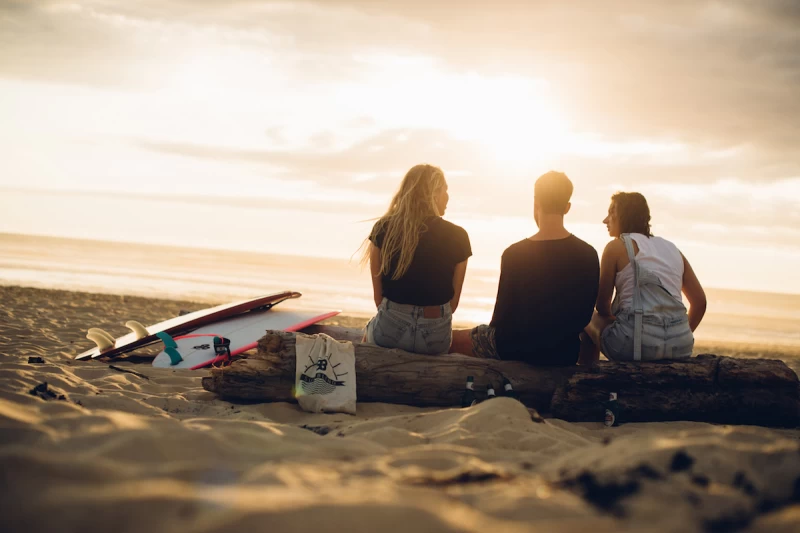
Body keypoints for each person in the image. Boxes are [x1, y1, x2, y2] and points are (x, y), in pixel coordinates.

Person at [450, 171, 599, 365]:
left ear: (536, 203)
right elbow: (584, 316)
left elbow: (500, 318)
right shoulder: (588, 253)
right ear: (567, 207)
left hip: (513, 348)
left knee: (448, 339)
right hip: (563, 352)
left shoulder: (514, 253)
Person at [580, 192, 707, 362]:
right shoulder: (673, 250)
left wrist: (628, 324)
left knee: (586, 315)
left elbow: (602, 306)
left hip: (636, 345)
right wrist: (674, 335)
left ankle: (588, 380)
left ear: (624, 215)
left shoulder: (615, 247)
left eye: (611, 212)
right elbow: (699, 302)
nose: (605, 220)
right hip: (680, 346)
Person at [362, 164, 471, 355]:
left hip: (390, 329)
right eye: (445, 190)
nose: (448, 197)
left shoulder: (384, 228)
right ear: (433, 193)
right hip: (435, 335)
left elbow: (378, 299)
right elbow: (452, 304)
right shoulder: (458, 236)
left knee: (366, 334)